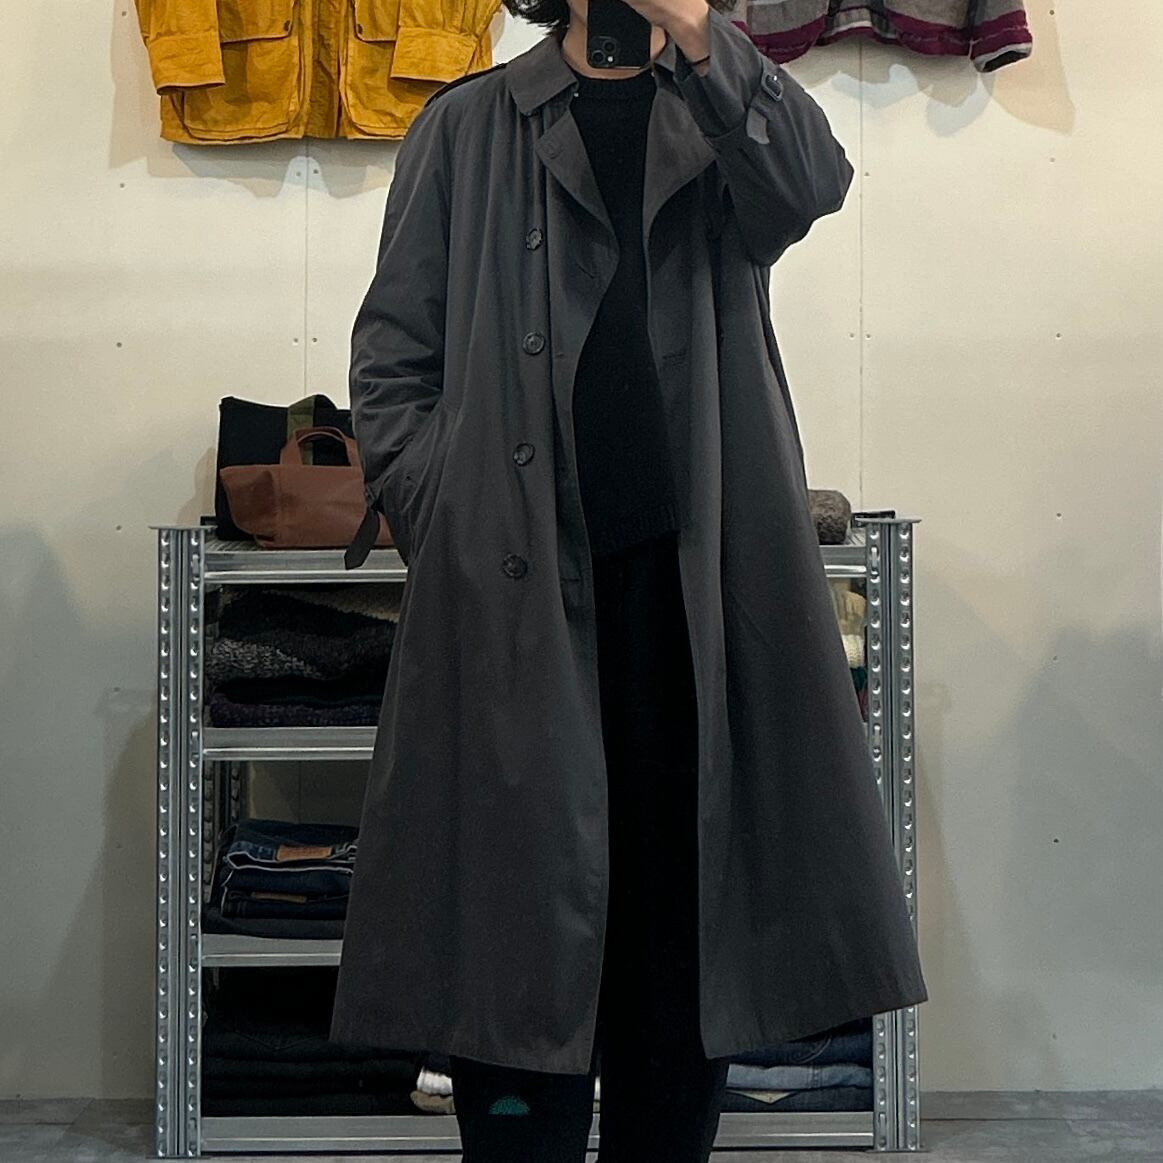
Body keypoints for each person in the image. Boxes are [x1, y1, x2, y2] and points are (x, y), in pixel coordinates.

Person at [330, 0, 928, 1158]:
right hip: (513, 589)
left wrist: (698, 30)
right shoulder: (465, 126)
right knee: (512, 928)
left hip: (690, 594)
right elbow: (393, 355)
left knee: (679, 934)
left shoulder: (722, 110)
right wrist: (442, 503)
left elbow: (810, 184)